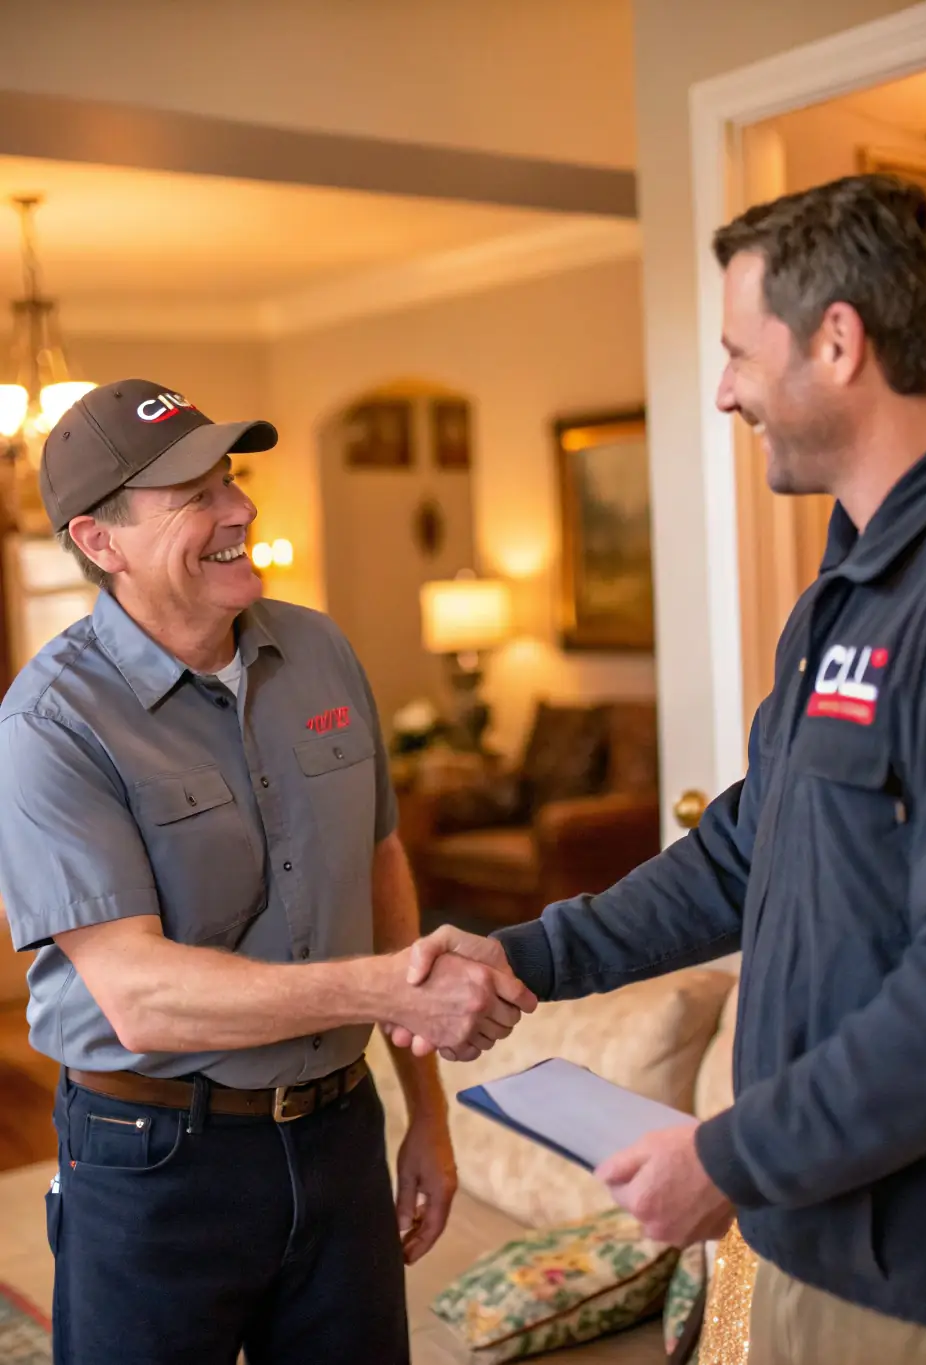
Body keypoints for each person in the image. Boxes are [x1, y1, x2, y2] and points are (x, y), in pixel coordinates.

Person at [390, 176, 926, 1365]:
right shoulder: (850, 583)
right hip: (811, 1231)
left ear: (839, 341)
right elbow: (749, 844)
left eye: (738, 351)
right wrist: (526, 955)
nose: (724, 389)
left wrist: (726, 1157)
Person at [0, 378, 537, 1365]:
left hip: (338, 1134)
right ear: (98, 542)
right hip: (154, 1157)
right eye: (192, 496)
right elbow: (144, 999)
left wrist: (427, 1119)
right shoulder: (51, 725)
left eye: (230, 478)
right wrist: (397, 991)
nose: (239, 509)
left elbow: (379, 867)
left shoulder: (323, 651)